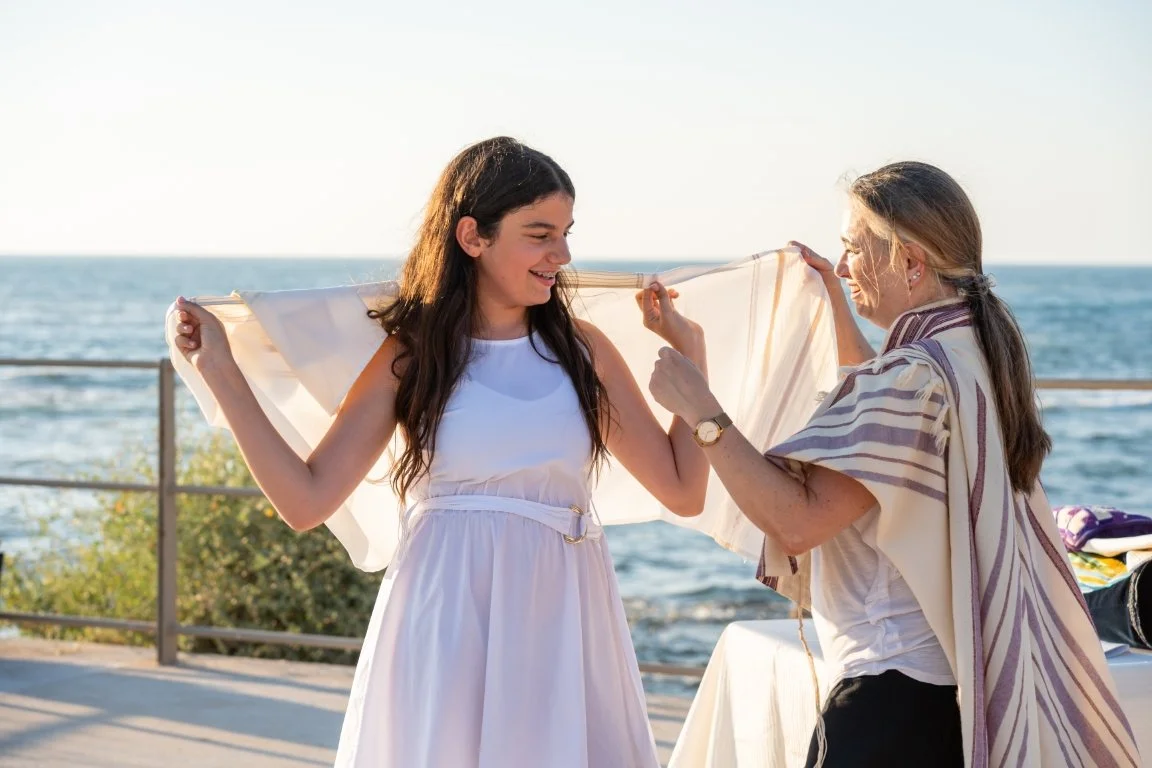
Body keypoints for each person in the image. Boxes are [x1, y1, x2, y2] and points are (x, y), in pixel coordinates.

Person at [169, 137, 712, 767]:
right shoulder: (414, 355)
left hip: (561, 617)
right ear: (472, 236)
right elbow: (305, 499)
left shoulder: (582, 351)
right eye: (540, 234)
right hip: (446, 617)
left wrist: (691, 361)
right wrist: (221, 372)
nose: (561, 255)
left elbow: (683, 490)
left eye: (565, 234)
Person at [649, 161, 1140, 766]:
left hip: (886, 709)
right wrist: (835, 296)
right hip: (939, 702)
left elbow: (798, 522)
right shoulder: (969, 356)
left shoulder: (911, 379)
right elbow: (876, 420)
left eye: (854, 249)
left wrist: (702, 411)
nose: (847, 264)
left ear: (910, 262)